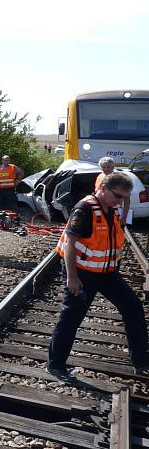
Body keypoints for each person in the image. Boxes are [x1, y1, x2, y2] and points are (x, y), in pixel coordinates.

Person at [47, 171, 149, 382]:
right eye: (119, 196)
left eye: (124, 197)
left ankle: (140, 361)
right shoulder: (84, 209)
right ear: (103, 189)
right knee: (71, 318)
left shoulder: (111, 208)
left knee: (134, 308)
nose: (121, 201)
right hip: (83, 274)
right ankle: (56, 365)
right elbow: (69, 245)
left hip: (107, 274)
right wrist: (72, 278)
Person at [96, 156, 130, 227]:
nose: (106, 169)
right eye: (103, 167)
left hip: (115, 211)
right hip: (101, 211)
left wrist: (124, 218)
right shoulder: (100, 177)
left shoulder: (121, 179)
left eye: (108, 167)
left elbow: (127, 200)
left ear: (113, 167)